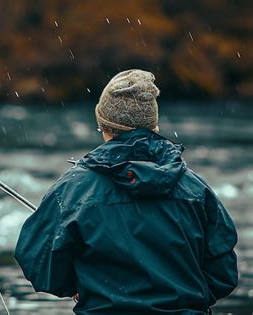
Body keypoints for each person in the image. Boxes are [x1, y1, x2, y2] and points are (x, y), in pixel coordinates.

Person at [14, 69, 238, 314]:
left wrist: (80, 285)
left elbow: (40, 268)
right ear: (154, 125)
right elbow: (223, 276)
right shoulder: (196, 189)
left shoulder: (71, 190)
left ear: (104, 126)